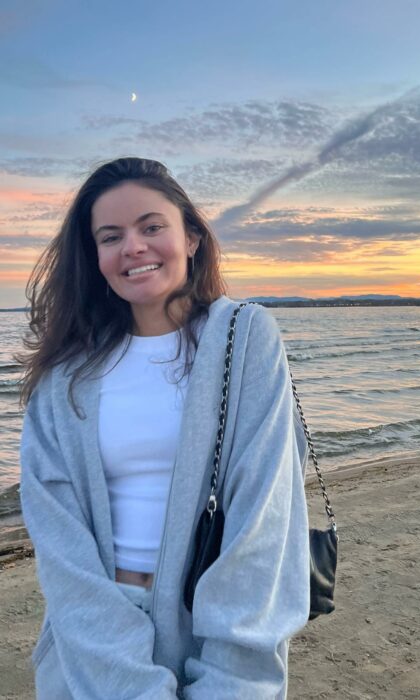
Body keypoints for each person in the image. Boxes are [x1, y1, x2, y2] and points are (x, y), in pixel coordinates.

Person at [18, 157, 311, 699]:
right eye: (111, 236)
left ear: (192, 237)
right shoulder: (64, 375)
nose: (133, 247)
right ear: (95, 256)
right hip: (89, 643)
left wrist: (233, 679)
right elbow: (60, 544)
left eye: (152, 226)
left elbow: (265, 525)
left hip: (212, 637)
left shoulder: (244, 339)